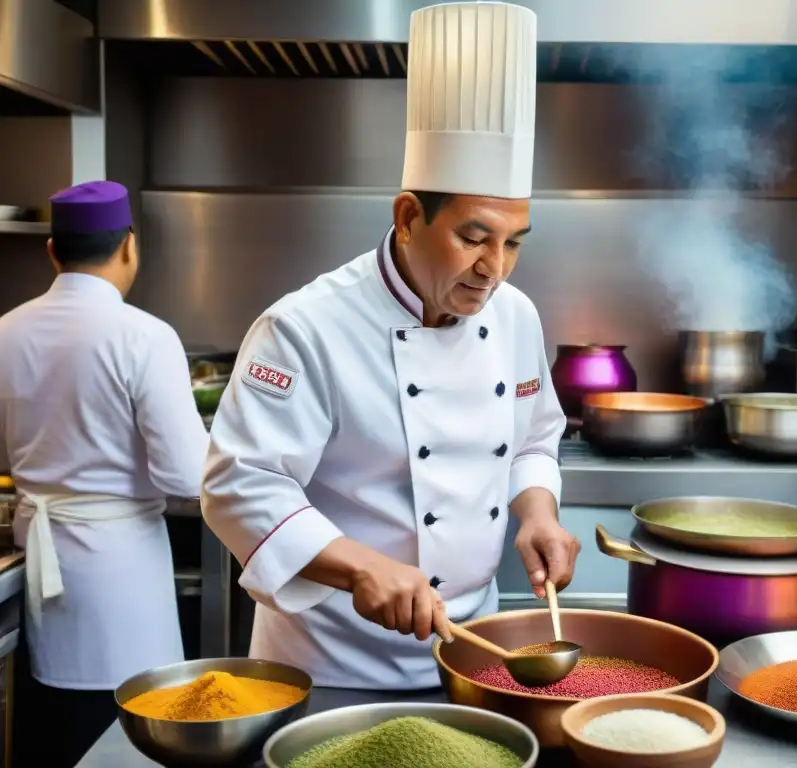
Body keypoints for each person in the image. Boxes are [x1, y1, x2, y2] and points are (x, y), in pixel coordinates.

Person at [202, 1, 580, 689]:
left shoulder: (517, 317)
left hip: (475, 652)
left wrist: (537, 513)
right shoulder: (306, 328)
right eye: (473, 237)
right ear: (408, 217)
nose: (494, 269)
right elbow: (238, 485)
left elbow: (532, 441)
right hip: (328, 662)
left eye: (513, 243)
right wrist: (359, 565)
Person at [0, 181, 210, 766]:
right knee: (125, 729)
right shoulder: (145, 336)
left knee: (54, 726)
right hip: (119, 570)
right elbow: (185, 473)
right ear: (128, 248)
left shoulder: (5, 330)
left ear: (52, 250)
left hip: (39, 544)